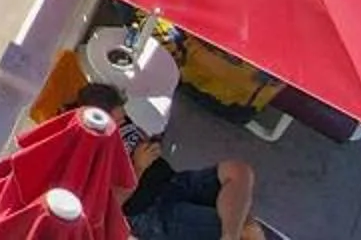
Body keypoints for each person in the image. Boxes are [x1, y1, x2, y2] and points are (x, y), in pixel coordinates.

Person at [71, 83, 267, 240]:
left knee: (239, 171)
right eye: (119, 120)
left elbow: (139, 138)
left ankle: (229, 235)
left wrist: (150, 142)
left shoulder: (119, 120)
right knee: (246, 226)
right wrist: (138, 166)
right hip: (151, 211)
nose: (124, 122)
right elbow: (111, 207)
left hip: (173, 181)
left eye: (124, 117)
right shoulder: (92, 153)